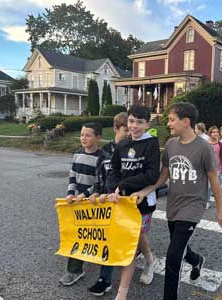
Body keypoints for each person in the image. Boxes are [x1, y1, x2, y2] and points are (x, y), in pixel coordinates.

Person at [131, 102, 222, 300]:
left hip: (192, 207)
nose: (168, 124)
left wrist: (219, 210)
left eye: (172, 120)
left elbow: (213, 179)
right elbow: (163, 176)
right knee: (179, 244)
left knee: (173, 256)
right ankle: (196, 259)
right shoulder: (171, 145)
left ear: (186, 122)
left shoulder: (204, 148)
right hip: (173, 206)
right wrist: (145, 190)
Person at [102, 105, 160, 300]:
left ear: (147, 124)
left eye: (140, 122)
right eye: (132, 121)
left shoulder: (151, 143)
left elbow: (152, 175)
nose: (135, 126)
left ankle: (122, 293)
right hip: (122, 201)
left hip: (143, 202)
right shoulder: (122, 145)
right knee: (138, 237)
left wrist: (125, 184)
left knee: (132, 242)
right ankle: (151, 260)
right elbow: (114, 171)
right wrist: (113, 190)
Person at [59, 123, 108, 286]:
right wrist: (70, 193)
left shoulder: (103, 157)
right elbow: (72, 176)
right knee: (78, 235)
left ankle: (107, 270)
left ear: (98, 138)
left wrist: (84, 195)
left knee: (98, 236)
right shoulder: (77, 154)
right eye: (82, 135)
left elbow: (101, 182)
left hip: (95, 203)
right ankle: (74, 270)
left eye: (88, 135)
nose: (83, 138)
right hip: (79, 204)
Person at [87, 112, 130, 296]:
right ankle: (105, 279)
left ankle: (148, 258)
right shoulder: (105, 152)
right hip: (108, 205)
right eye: (126, 129)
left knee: (136, 240)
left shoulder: (134, 150)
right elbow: (100, 178)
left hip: (128, 205)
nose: (129, 133)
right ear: (116, 129)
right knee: (108, 240)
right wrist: (96, 192)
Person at [206, 126, 222, 209]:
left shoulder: (220, 144)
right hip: (207, 168)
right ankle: (206, 201)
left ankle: (212, 200)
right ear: (210, 133)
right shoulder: (206, 143)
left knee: (215, 185)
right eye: (213, 132)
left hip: (216, 169)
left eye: (217, 132)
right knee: (207, 186)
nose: (216, 133)